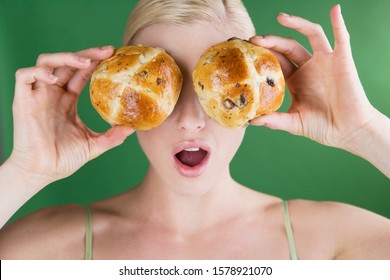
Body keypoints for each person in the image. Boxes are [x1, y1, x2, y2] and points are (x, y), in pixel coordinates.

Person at [0, 0, 389, 260]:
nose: (189, 119)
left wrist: (365, 132)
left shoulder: (333, 242)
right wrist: (25, 171)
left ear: (258, 94)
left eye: (216, 88)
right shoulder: (52, 249)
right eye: (163, 88)